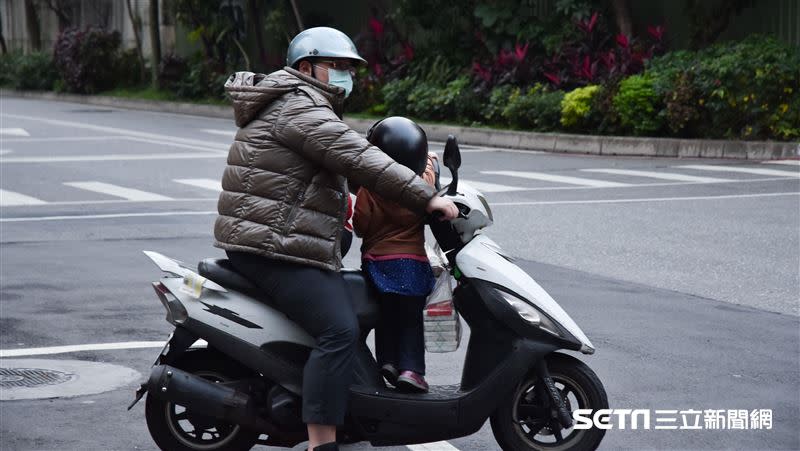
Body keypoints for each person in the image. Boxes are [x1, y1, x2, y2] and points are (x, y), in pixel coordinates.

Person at [214, 27, 458, 451]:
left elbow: (346, 156)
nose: (346, 75)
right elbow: (359, 158)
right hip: (275, 247)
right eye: (339, 66)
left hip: (278, 239)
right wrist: (428, 197)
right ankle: (321, 443)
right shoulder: (300, 108)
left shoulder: (298, 103)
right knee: (339, 331)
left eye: (349, 68)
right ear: (308, 67)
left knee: (359, 305)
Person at [353, 117, 438, 393]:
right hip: (411, 263)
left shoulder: (370, 187)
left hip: (378, 264)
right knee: (410, 318)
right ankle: (412, 371)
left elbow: (360, 226)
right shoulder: (421, 185)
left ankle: (388, 362)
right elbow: (430, 182)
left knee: (385, 315)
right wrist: (430, 163)